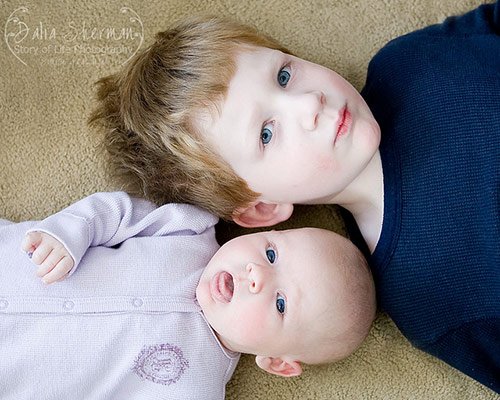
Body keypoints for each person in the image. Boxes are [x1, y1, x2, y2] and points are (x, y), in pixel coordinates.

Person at [88, 1, 500, 393]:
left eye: (284, 76)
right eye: (266, 133)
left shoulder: (406, 64)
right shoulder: (429, 293)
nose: (308, 103)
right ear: (262, 206)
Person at [0, 191, 374, 399]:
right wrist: (70, 232)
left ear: (277, 362)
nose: (256, 274)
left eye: (280, 303)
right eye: (271, 254)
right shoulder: (190, 230)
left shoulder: (196, 388)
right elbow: (118, 212)